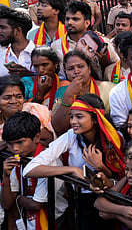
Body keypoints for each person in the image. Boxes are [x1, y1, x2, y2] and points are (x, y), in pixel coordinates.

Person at [24, 94, 125, 230]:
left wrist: (100, 167)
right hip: (82, 200)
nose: (73, 121)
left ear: (95, 119)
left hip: (111, 201)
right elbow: (29, 170)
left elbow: (122, 176)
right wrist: (72, 170)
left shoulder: (115, 139)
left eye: (79, 116)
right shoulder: (71, 136)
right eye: (71, 116)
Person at [1, 112, 68, 230]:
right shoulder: (16, 160)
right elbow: (6, 204)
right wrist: (6, 176)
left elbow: (36, 204)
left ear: (36, 138)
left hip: (54, 219)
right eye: (10, 144)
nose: (15, 148)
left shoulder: (48, 161)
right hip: (28, 218)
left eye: (20, 142)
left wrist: (18, 198)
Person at [51, 50, 115, 136]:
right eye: (71, 69)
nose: (76, 71)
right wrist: (68, 95)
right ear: (66, 72)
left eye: (80, 66)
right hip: (73, 138)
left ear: (89, 69)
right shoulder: (63, 91)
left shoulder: (109, 89)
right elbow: (58, 128)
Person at [51, 1, 118, 79]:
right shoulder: (56, 45)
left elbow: (117, 67)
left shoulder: (103, 42)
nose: (69, 22)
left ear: (87, 23)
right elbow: (59, 77)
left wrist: (105, 63)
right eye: (67, 19)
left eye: (75, 19)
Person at [0, 77, 55, 147]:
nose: (14, 101)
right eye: (7, 98)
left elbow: (48, 138)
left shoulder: (33, 110)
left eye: (19, 97)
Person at [28, 46, 69, 110]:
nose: (41, 70)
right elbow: (24, 112)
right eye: (36, 66)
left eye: (45, 65)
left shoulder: (65, 86)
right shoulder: (27, 83)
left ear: (55, 63)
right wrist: (40, 94)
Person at [0, 8, 35, 78]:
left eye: (3, 28)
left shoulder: (43, 54)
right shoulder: (1, 57)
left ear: (18, 30)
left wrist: (29, 75)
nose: (0, 31)